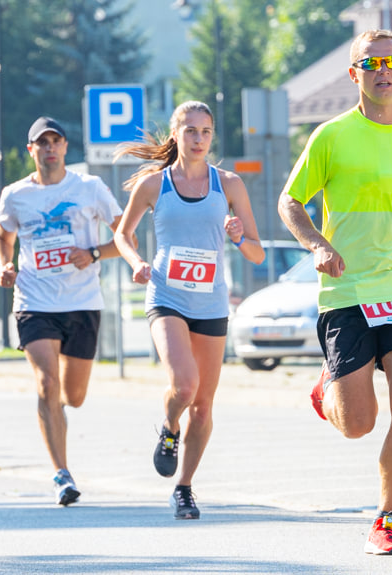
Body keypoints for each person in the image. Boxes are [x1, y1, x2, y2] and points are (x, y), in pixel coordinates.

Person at [278, 29, 392, 555]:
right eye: (371, 62)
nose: (382, 70)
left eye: (391, 61)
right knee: (359, 424)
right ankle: (328, 389)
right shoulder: (331, 136)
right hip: (347, 293)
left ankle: (385, 520)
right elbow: (290, 202)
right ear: (354, 73)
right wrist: (316, 244)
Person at [113, 101, 265, 520]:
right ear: (176, 135)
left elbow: (255, 253)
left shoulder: (229, 184)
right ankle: (168, 429)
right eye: (191, 131)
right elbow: (123, 235)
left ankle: (184, 487)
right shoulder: (154, 186)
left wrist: (238, 237)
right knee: (184, 386)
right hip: (167, 298)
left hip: (211, 302)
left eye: (206, 132)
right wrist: (136, 263)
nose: (199, 139)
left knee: (204, 405)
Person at [0, 116, 127, 506]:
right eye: (42, 142)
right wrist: (3, 264)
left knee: (74, 395)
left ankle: (55, 414)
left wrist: (95, 253)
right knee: (47, 385)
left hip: (82, 302)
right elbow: (3, 235)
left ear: (66, 147)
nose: (50, 147)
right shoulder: (15, 194)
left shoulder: (90, 188)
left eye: (56, 141)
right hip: (34, 301)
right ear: (31, 150)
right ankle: (62, 474)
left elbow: (125, 234)